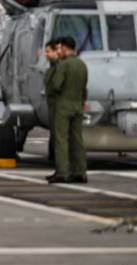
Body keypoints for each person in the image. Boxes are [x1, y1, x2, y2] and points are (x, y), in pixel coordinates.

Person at [46, 37, 89, 184]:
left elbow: (56, 85)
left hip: (63, 107)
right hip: (78, 105)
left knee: (61, 140)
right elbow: (84, 89)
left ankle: (62, 172)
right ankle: (80, 172)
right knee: (77, 140)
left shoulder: (63, 65)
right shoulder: (82, 65)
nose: (59, 51)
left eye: (60, 48)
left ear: (65, 48)